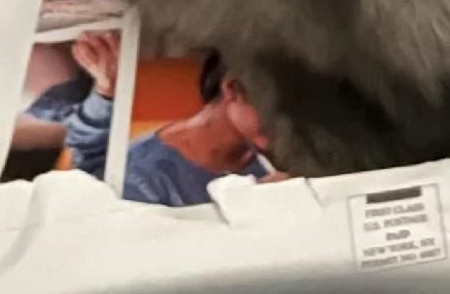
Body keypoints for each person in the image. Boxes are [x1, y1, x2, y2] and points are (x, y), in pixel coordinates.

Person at [64, 46, 287, 206]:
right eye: (282, 110)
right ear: (234, 91)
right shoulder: (141, 176)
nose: (292, 127)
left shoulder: (273, 155)